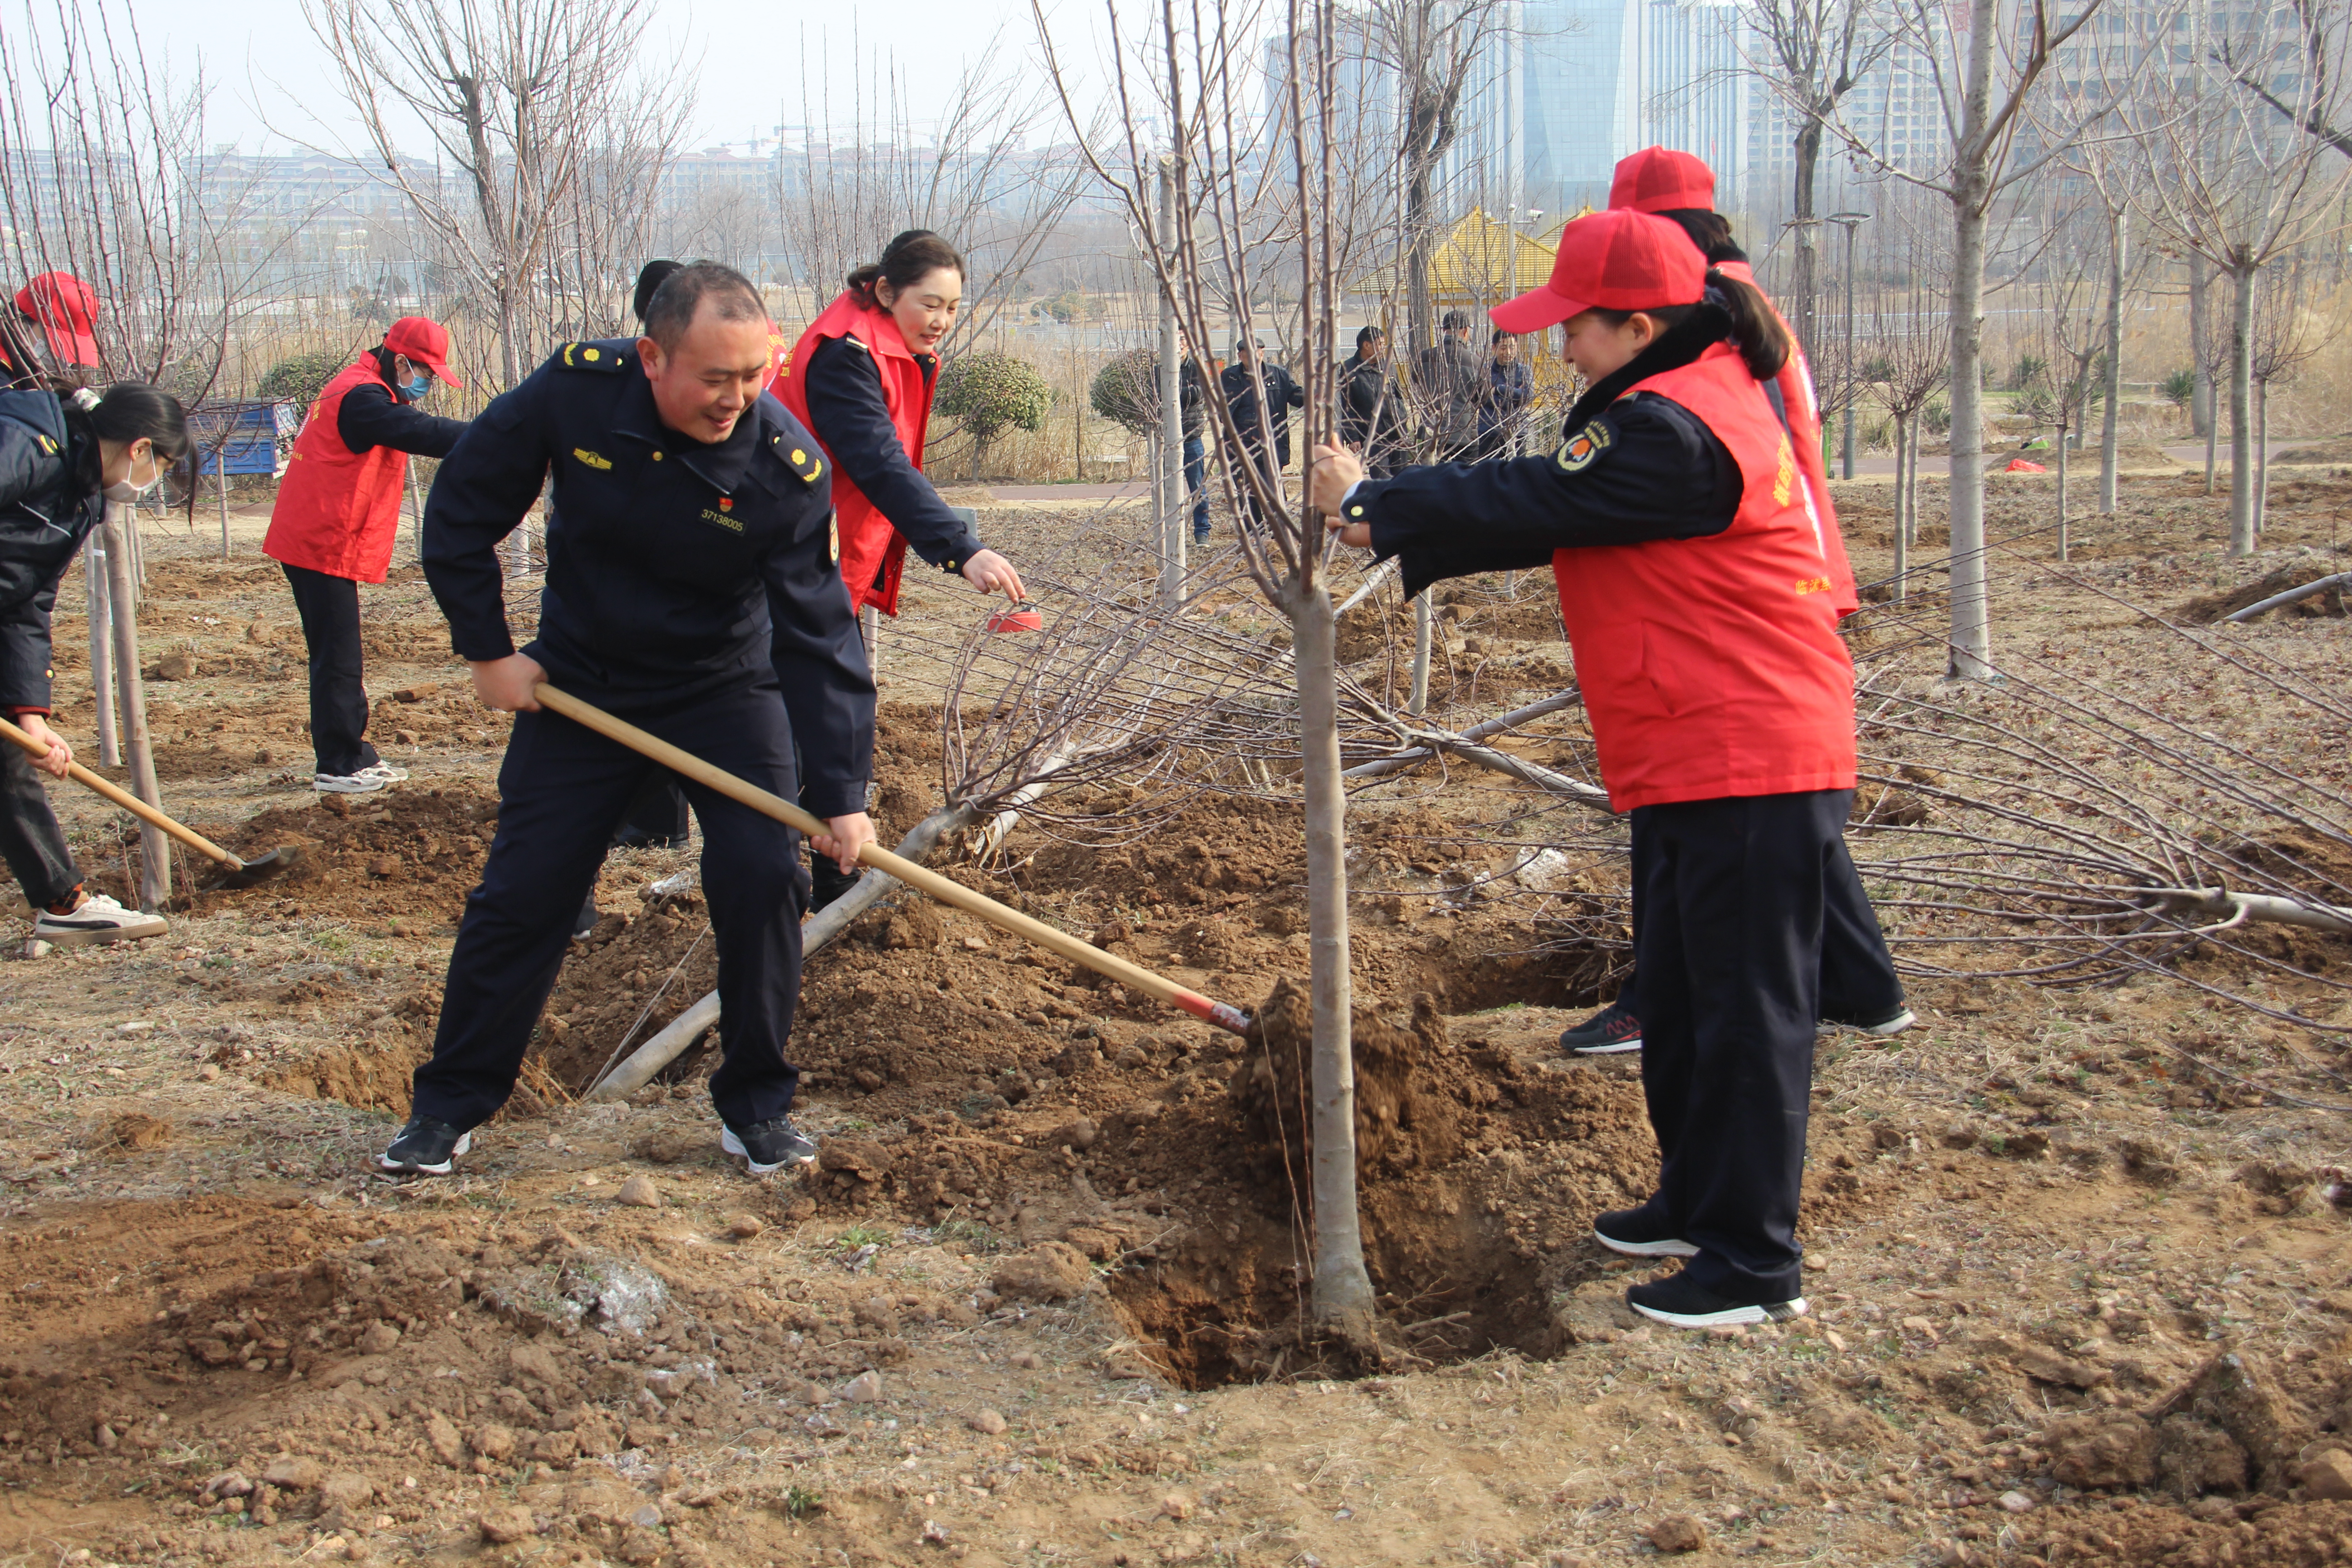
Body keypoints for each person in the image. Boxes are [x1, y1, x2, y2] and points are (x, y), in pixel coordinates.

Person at [1310, 209, 1852, 1330]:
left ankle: (1751, 1260)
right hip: (1695, 747)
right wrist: (1387, 515)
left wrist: (1376, 501)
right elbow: (1557, 511)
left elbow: (1543, 499)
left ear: (1640, 324)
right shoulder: (1678, 399)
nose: (1559, 349)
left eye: (1576, 330)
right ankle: (1694, 1200)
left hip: (1747, 751)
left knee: (1747, 1010)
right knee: (1684, 991)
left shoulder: (1675, 427)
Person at [378, 262, 874, 1180]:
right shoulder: (577, 390)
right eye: (715, 377)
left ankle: (756, 1107)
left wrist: (841, 791)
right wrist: (490, 650)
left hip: (725, 688)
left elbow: (819, 637)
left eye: (755, 376)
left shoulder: (783, 470)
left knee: (766, 876)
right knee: (526, 891)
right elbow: (463, 506)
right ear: (652, 356)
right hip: (583, 682)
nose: (738, 399)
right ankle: (449, 1106)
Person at [1555, 146, 1906, 1059]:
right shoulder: (1736, 302)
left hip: (1749, 580)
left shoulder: (1706, 320)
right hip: (1788, 570)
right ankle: (1863, 986)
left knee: (1726, 796)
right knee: (1768, 808)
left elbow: (1704, 464)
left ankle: (1664, 995)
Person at [778, 230, 1023, 906]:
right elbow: (878, 461)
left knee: (828, 719)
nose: (942, 320)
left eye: (953, 308)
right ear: (886, 293)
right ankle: (823, 883)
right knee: (830, 718)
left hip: (825, 557)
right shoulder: (843, 358)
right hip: (797, 562)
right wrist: (960, 547)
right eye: (930, 303)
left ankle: (823, 876)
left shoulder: (875, 341)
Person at [0, 381, 188, 947]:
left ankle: (62, 904)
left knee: (9, 754)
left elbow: (27, 601)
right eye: (162, 465)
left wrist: (31, 713)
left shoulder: (80, 497)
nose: (154, 481)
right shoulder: (28, 444)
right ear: (138, 449)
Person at [263, 317, 470, 794]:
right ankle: (339, 762)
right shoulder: (361, 398)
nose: (427, 384)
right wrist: (497, 437)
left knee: (338, 651)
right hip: (317, 541)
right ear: (400, 361)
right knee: (338, 655)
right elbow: (418, 431)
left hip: (319, 537)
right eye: (426, 373)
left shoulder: (361, 386)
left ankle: (354, 752)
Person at [1217, 338, 1304, 530]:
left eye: (1255, 351)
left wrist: (1312, 396)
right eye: (1245, 353)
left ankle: (1281, 532)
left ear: (1262, 353)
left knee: (1274, 492)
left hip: (1271, 445)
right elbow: (1221, 406)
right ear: (1240, 356)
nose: (1251, 356)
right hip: (1239, 445)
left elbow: (1295, 396)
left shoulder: (1278, 374)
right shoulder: (1230, 376)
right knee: (1246, 493)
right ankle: (1254, 535)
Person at [0, 273, 102, 392]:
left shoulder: (32, 367)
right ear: (21, 321)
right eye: (56, 340)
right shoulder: (5, 376)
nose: (64, 357)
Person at [1415, 309, 1486, 463]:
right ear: (1466, 332)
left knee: (1432, 484)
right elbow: (1483, 398)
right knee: (1464, 485)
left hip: (1431, 434)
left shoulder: (1424, 357)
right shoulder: (1475, 362)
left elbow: (1415, 383)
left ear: (1443, 330)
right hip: (1463, 433)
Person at [1338, 326, 1404, 478]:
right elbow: (1347, 406)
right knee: (1382, 482)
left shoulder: (1388, 366)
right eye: (1380, 344)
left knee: (1403, 481)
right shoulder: (1349, 369)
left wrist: (1402, 419)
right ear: (1366, 345)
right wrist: (1352, 438)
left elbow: (1398, 396)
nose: (1383, 348)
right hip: (1373, 436)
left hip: (1397, 433)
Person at [1477, 331, 1534, 461]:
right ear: (1494, 348)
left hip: (1518, 431)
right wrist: (1515, 396)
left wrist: (1498, 389)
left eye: (1512, 347)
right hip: (1489, 431)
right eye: (1503, 348)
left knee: (1518, 476)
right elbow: (1481, 398)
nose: (1508, 352)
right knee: (1489, 476)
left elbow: (1527, 396)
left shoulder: (1524, 371)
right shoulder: (1485, 371)